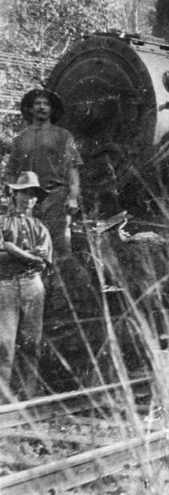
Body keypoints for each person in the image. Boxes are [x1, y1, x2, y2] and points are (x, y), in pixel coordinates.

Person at [7, 88, 82, 258]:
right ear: (30, 108)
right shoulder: (20, 138)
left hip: (55, 195)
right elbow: (11, 171)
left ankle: (58, 282)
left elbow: (72, 167)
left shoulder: (63, 135)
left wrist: (72, 197)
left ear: (52, 109)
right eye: (37, 104)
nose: (42, 107)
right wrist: (12, 198)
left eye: (46, 104)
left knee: (58, 243)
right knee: (27, 240)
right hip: (28, 196)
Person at [0, 172, 52, 401]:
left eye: (33, 194)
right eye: (24, 193)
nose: (28, 198)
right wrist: (29, 255)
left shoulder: (40, 227)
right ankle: (2, 398)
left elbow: (44, 261)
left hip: (32, 284)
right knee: (4, 342)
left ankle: (27, 394)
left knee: (31, 341)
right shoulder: (2, 222)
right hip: (6, 284)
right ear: (14, 194)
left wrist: (13, 253)